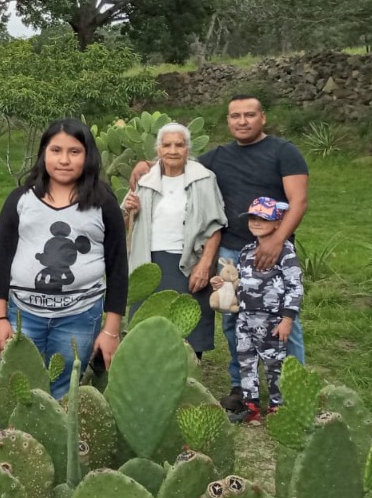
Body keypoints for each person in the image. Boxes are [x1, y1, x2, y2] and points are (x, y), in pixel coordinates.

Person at [131, 95, 308, 413]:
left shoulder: (285, 153)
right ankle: (243, 388)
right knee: (234, 321)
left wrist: (277, 241)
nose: (242, 121)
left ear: (262, 117)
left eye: (249, 115)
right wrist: (146, 165)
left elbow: (299, 201)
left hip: (273, 250)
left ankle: (295, 391)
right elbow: (177, 162)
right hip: (231, 253)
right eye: (235, 116)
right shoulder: (218, 157)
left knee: (283, 320)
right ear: (228, 120)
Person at [0, 118, 128, 428]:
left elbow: (118, 268)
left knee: (61, 392)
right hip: (22, 315)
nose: (64, 159)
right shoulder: (21, 200)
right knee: (0, 386)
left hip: (79, 316)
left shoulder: (103, 203)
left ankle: (43, 457)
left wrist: (110, 330)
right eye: (55, 150)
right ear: (43, 153)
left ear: (88, 156)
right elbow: (1, 260)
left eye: (74, 151)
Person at [122, 122, 226, 357]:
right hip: (149, 262)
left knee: (187, 329)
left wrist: (205, 265)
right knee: (148, 324)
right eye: (167, 145)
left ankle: (188, 377)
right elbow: (127, 227)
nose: (173, 150)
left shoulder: (204, 179)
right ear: (158, 150)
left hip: (189, 262)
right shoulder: (145, 180)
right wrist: (130, 211)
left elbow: (214, 226)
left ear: (188, 149)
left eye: (179, 145)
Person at [210, 197, 303, 423]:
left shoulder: (286, 253)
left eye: (263, 218)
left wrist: (287, 319)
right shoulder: (246, 251)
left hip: (272, 321)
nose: (256, 222)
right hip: (245, 319)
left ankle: (277, 407)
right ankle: (250, 405)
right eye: (253, 218)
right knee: (246, 361)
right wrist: (223, 285)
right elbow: (240, 282)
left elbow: (295, 286)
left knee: (275, 365)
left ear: (278, 223)